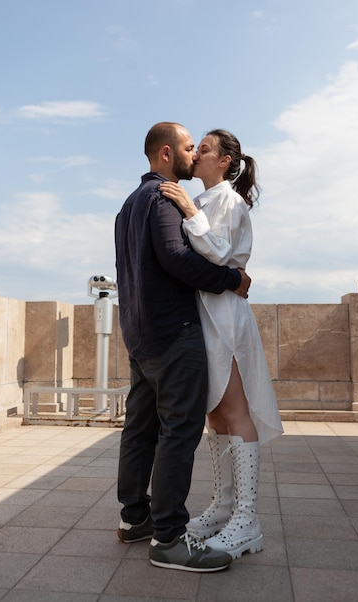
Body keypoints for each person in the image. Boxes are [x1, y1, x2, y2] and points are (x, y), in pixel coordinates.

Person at [114, 122, 252, 572]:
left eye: (202, 148)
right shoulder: (163, 196)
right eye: (191, 147)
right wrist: (232, 279)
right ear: (168, 154)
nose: (195, 154)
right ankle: (170, 538)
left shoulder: (127, 206)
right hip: (173, 333)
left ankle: (135, 518)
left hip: (138, 336)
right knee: (180, 432)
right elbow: (178, 259)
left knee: (140, 430)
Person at [159, 128, 283, 560]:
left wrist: (189, 208)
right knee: (215, 417)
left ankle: (247, 519)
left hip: (225, 317)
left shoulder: (226, 200)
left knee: (234, 411)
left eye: (204, 150)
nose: (196, 156)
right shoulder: (211, 199)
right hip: (204, 317)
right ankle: (223, 506)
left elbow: (215, 252)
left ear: (224, 162)